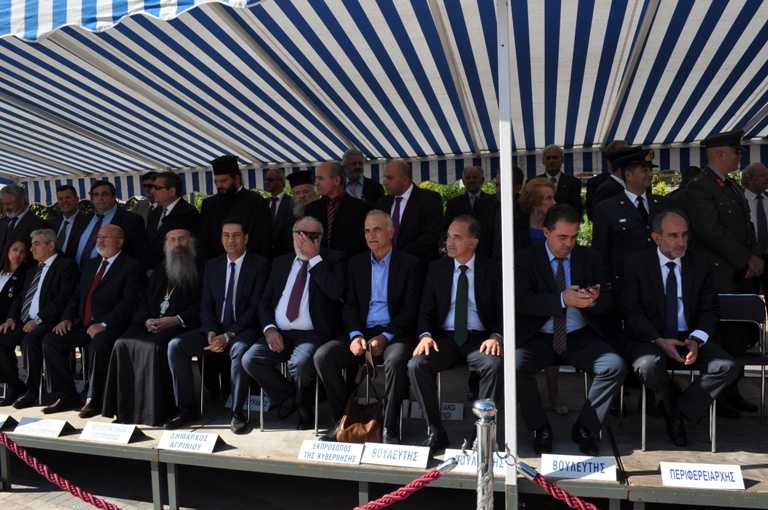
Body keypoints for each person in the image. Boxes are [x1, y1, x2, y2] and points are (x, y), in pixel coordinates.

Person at [514, 205, 625, 455]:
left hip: (579, 336)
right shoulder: (525, 259)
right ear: (546, 232)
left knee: (614, 365)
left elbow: (610, 300)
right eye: (562, 237)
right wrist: (562, 299)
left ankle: (586, 427)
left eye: (574, 237)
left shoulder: (589, 257)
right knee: (514, 366)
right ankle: (539, 428)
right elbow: (521, 302)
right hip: (538, 336)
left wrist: (593, 300)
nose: (569, 244)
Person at [623, 210, 737, 446]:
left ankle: (678, 413)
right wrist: (658, 340)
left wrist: (696, 339)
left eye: (684, 235)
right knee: (647, 366)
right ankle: (672, 406)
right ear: (656, 237)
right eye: (673, 236)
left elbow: (710, 309)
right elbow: (631, 312)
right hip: (652, 338)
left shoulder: (700, 263)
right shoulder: (636, 264)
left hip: (688, 338)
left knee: (726, 366)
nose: (681, 241)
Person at [314, 210, 420, 443]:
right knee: (324, 356)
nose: (371, 235)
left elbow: (411, 310)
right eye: (367, 231)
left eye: (377, 229)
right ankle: (343, 421)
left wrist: (386, 336)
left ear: (391, 232)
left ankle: (389, 427)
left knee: (395, 360)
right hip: (362, 332)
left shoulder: (409, 264)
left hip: (394, 333)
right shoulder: (356, 263)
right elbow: (349, 305)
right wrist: (355, 335)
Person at [408, 216, 503, 453]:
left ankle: (480, 434)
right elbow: (425, 310)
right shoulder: (437, 268)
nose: (449, 242)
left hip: (479, 339)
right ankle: (435, 432)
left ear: (473, 241)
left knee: (493, 365)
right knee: (416, 365)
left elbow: (504, 310)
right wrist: (425, 335)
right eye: (448, 236)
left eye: (457, 237)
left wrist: (496, 336)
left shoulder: (492, 269)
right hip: (445, 339)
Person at [165, 219, 269, 432]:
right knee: (176, 345)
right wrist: (211, 331)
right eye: (226, 235)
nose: (231, 240)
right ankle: (186, 410)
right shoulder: (213, 265)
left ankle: (237, 413)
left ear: (246, 238)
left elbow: (255, 307)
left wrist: (229, 335)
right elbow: (205, 304)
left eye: (236, 235)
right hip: (215, 330)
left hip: (244, 329)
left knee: (238, 350)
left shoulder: (260, 265)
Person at [241, 217, 345, 430]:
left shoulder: (334, 260)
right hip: (279, 331)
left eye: (311, 235)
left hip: (312, 334)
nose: (303, 239)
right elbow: (265, 302)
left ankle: (304, 413)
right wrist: (269, 329)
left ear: (321, 238)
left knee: (300, 364)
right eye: (299, 234)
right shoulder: (281, 262)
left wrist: (314, 259)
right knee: (250, 359)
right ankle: (291, 398)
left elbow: (335, 292)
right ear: (292, 236)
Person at [683, 129, 761, 414]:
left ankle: (732, 390)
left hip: (739, 275)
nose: (740, 156)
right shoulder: (700, 188)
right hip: (717, 276)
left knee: (738, 337)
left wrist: (751, 258)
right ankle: (716, 397)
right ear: (720, 153)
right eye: (736, 152)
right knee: (719, 337)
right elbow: (711, 232)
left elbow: (746, 228)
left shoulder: (731, 187)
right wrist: (746, 258)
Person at [102, 218, 202, 425]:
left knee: (157, 347)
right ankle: (127, 410)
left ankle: (164, 410)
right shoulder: (160, 269)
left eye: (182, 239)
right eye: (172, 240)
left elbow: (205, 305)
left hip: (185, 326)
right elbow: (144, 299)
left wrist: (176, 319)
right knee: (122, 343)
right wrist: (147, 319)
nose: (177, 244)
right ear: (166, 244)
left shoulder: (203, 268)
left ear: (191, 241)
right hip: (154, 324)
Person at [43, 224, 142, 416]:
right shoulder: (90, 264)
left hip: (112, 325)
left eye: (106, 237)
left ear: (120, 242)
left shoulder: (131, 266)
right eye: (99, 237)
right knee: (51, 340)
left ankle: (93, 398)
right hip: (84, 323)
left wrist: (104, 324)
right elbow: (76, 296)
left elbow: (128, 302)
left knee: (99, 344)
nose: (100, 241)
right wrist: (67, 318)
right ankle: (66, 395)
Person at [0, 229, 78, 408]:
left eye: (36, 244)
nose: (31, 249)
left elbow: (62, 298)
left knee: (31, 340)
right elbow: (20, 298)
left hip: (48, 321)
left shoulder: (66, 266)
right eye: (32, 244)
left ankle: (32, 391)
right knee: (2, 339)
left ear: (51, 246)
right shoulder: (32, 270)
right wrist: (11, 318)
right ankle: (15, 385)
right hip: (24, 321)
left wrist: (39, 320)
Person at [592, 146, 663, 297]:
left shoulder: (661, 204)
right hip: (625, 287)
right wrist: (605, 289)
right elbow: (600, 252)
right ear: (629, 175)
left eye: (650, 170)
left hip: (658, 283)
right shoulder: (607, 209)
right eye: (644, 170)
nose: (650, 174)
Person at [200, 155, 271, 259]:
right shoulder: (209, 205)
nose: (219, 186)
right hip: (217, 265)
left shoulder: (256, 202)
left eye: (224, 181)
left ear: (237, 179)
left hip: (251, 263)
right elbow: (204, 242)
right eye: (216, 182)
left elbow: (265, 241)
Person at [376, 160, 443, 263]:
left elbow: (432, 235)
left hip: (419, 265)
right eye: (384, 177)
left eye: (389, 178)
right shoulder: (383, 202)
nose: (385, 182)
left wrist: (399, 255)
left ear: (405, 180)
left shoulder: (429, 199)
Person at [305, 161, 369, 259]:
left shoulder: (362, 209)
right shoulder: (311, 209)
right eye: (316, 179)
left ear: (336, 180)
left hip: (348, 264)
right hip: (319, 264)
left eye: (320, 178)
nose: (316, 183)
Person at [75, 181, 145, 265]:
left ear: (114, 196)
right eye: (96, 194)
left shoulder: (131, 220)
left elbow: (139, 254)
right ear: (91, 198)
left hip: (114, 271)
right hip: (78, 271)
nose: (100, 198)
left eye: (105, 194)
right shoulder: (84, 219)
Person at [145, 171, 201, 270]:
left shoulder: (188, 213)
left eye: (157, 188)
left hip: (177, 271)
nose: (152, 191)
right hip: (154, 271)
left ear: (172, 191)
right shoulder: (155, 212)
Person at [444, 166, 498, 258]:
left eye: (475, 177)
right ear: (463, 181)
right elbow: (446, 229)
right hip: (462, 254)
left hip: (488, 254)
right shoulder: (453, 203)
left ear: (482, 180)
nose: (471, 180)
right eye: (468, 178)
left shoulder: (493, 202)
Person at [0, 241, 31, 361]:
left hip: (10, 318)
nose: (18, 254)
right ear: (8, 251)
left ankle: (10, 373)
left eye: (22, 252)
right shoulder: (1, 271)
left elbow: (18, 301)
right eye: (15, 250)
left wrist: (10, 318)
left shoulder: (26, 274)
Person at [585, 141, 628, 221]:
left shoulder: (638, 181)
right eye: (619, 154)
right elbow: (593, 214)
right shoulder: (595, 183)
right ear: (609, 160)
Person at [0, 184, 47, 255]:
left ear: (22, 201)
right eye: (4, 204)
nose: (6, 208)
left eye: (9, 204)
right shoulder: (2, 221)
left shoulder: (37, 224)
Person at [513, 178, 556, 252]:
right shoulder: (516, 226)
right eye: (548, 198)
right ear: (534, 201)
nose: (554, 202)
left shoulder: (557, 224)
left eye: (553, 198)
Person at [542, 145, 582, 218]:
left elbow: (577, 210)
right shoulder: (534, 183)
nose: (551, 161)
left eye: (555, 157)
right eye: (548, 158)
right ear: (543, 161)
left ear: (562, 160)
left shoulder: (574, 183)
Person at [51, 185, 89, 259]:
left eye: (67, 197)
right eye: (60, 199)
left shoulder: (87, 222)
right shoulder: (53, 223)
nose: (64, 201)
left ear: (77, 199)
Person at [265, 168, 295, 256]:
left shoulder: (292, 202)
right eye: (266, 180)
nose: (266, 182)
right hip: (266, 255)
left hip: (285, 254)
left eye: (270, 180)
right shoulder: (263, 203)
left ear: (281, 182)